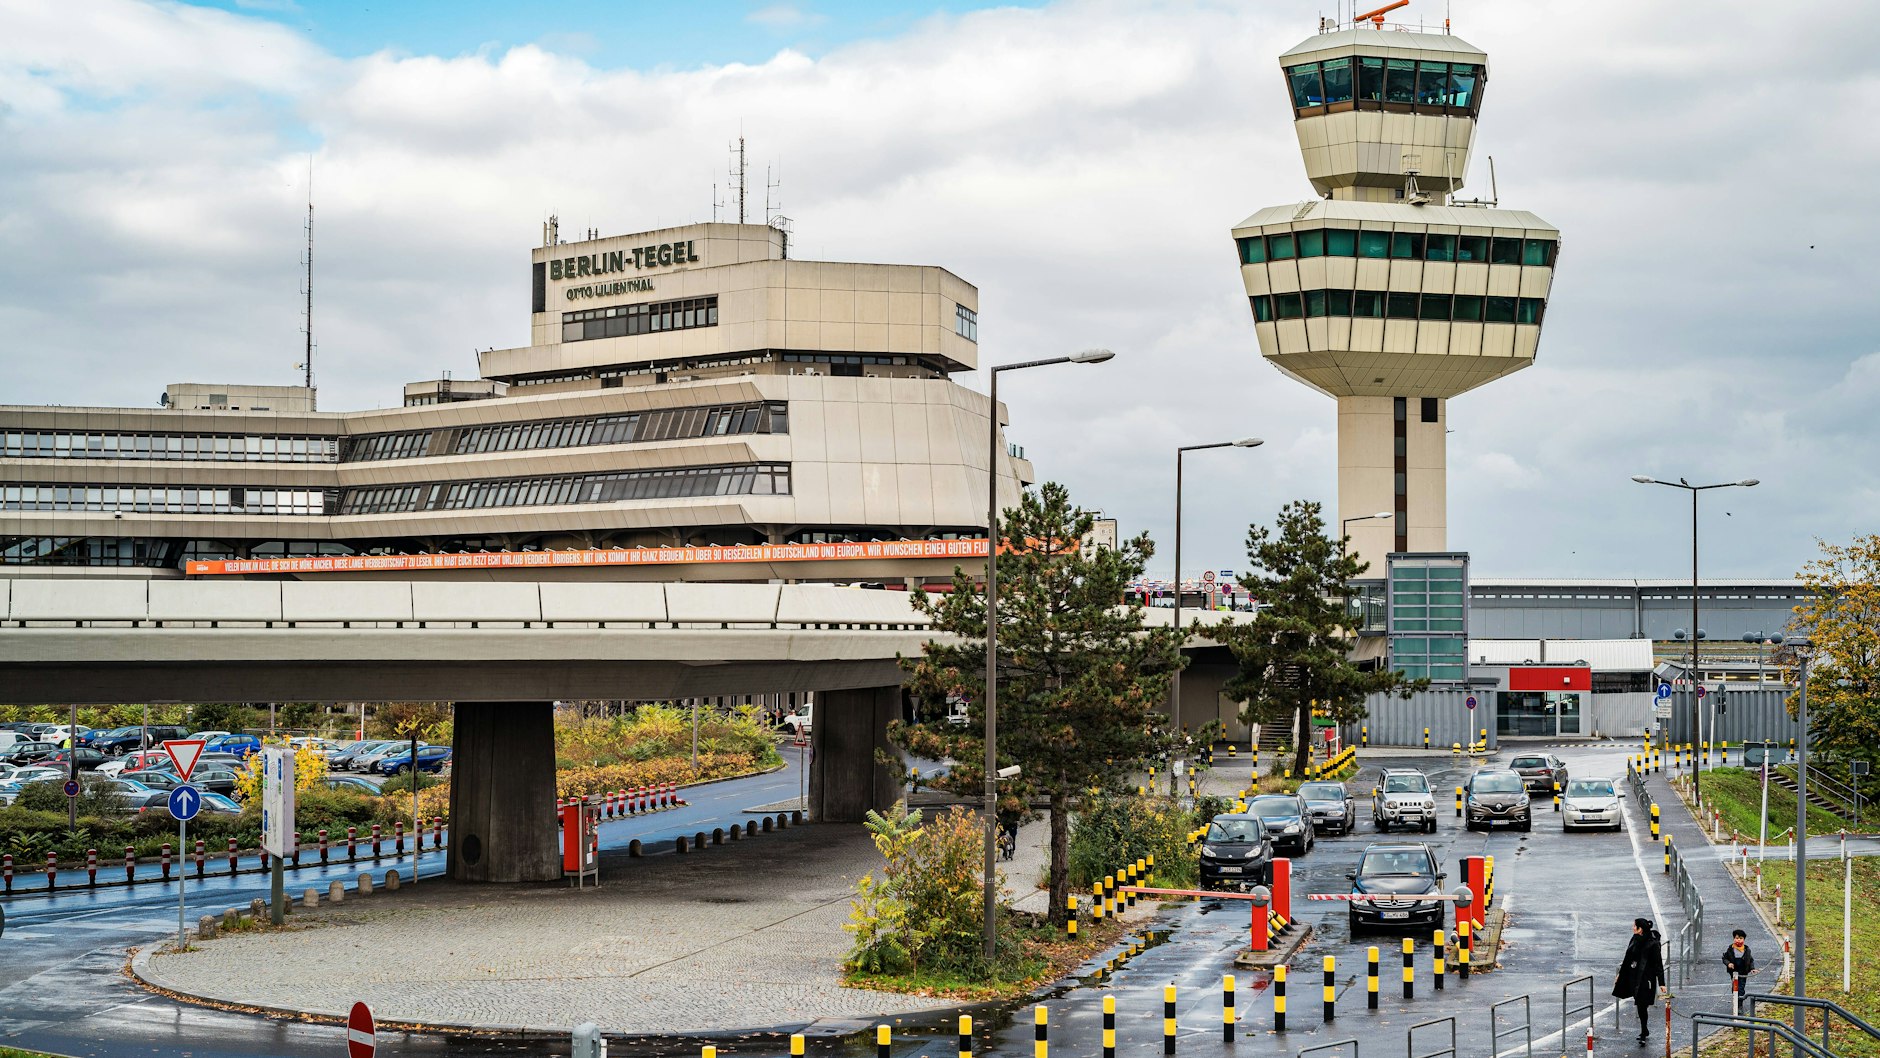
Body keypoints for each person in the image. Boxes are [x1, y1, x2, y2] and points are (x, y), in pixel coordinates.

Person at [1613, 917, 1666, 1044]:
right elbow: (1627, 957)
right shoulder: (1634, 939)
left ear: (1640, 929)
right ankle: (1644, 1029)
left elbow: (1658, 964)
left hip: (1646, 978)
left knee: (1642, 1005)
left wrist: (1662, 983)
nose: (1632, 927)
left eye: (1634, 926)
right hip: (1633, 976)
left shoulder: (1652, 944)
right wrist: (1620, 974)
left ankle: (1643, 1031)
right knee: (1640, 1004)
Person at [1721, 929, 1757, 1004]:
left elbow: (1750, 960)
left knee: (1741, 988)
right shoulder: (1730, 949)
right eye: (1737, 938)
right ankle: (1735, 1000)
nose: (1739, 940)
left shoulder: (1747, 950)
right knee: (1735, 986)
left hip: (1743, 971)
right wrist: (1728, 964)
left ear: (1744, 939)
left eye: (1741, 938)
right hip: (1734, 972)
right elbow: (1724, 958)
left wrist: (1752, 968)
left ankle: (1739, 1003)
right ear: (1734, 939)